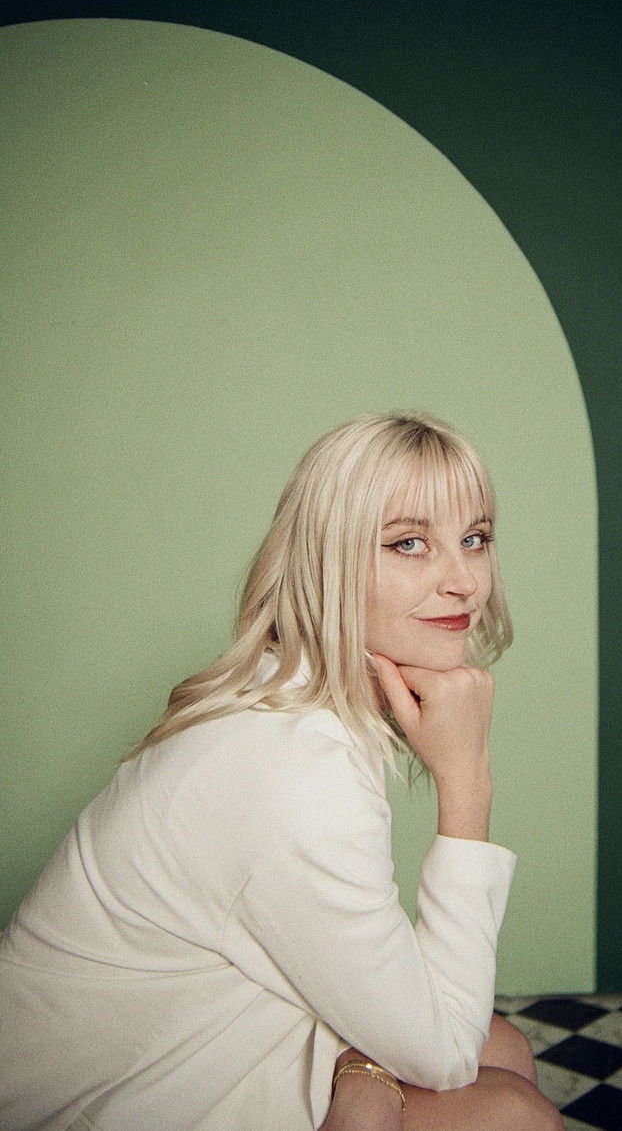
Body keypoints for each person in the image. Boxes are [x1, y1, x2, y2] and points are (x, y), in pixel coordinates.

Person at [0, 412, 563, 1131]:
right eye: (409, 543)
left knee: (504, 1047)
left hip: (200, 1021)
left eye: (474, 539)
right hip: (103, 1090)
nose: (462, 582)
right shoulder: (295, 764)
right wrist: (466, 780)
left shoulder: (289, 692)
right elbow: (445, 1051)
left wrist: (363, 1068)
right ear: (326, 561)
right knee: (510, 1114)